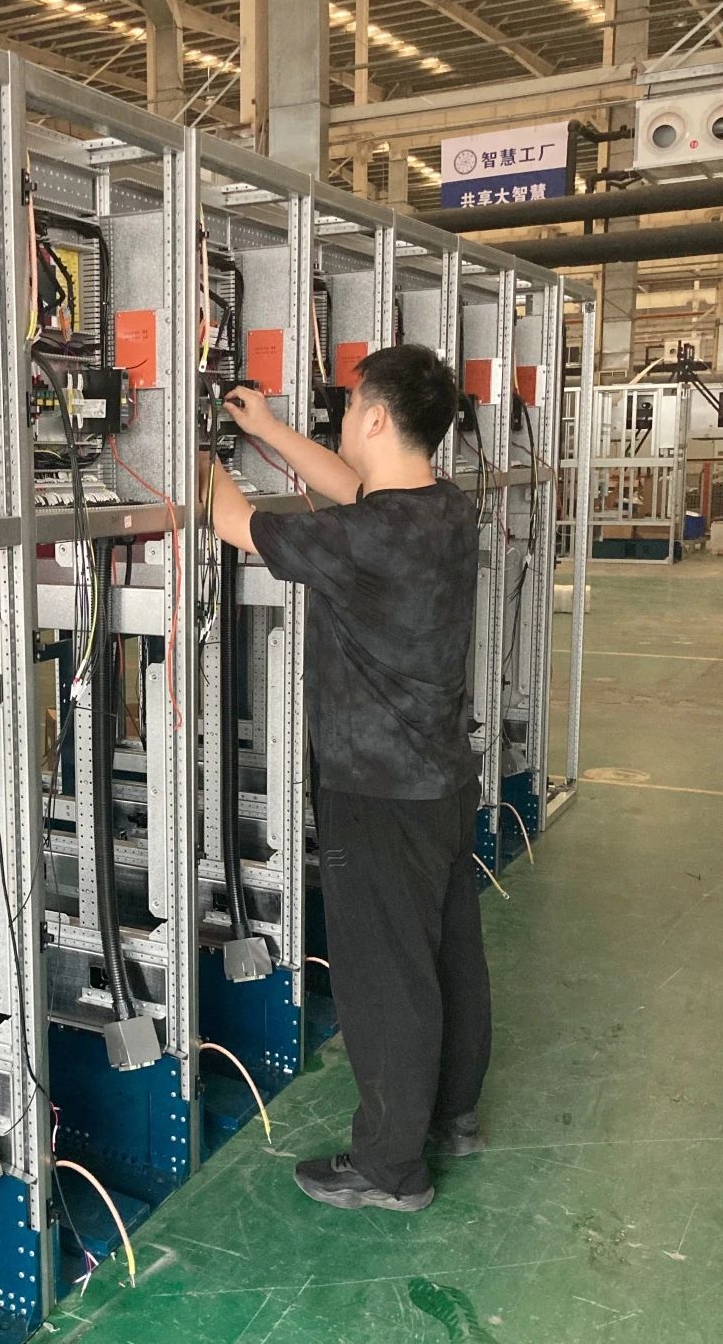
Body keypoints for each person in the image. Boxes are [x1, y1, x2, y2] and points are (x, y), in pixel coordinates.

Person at [205, 344, 490, 1213]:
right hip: (442, 779)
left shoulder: (363, 539)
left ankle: (390, 1168)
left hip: (376, 793)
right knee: (448, 954)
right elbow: (353, 486)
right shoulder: (445, 509)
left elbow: (233, 521)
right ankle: (454, 1114)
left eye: (352, 402)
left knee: (386, 978)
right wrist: (267, 428)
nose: (344, 415)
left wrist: (188, 438)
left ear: (374, 416)